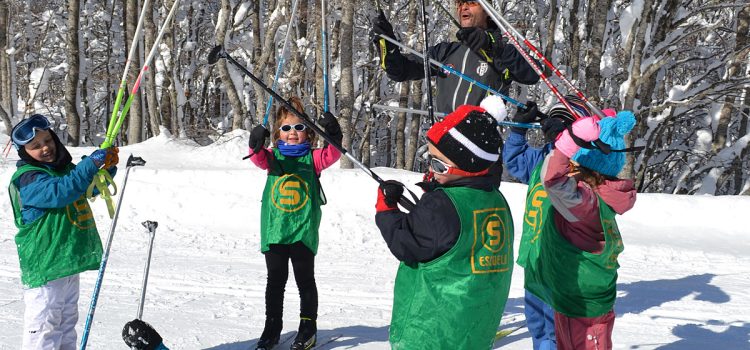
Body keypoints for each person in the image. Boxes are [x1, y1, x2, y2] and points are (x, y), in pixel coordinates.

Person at [374, 105, 514, 349]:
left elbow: (406, 243)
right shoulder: (496, 198)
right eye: (429, 160)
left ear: (468, 166)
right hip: (475, 329)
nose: (431, 169)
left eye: (439, 166)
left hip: (433, 330)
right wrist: (438, 188)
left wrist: (386, 209)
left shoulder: (441, 206)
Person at [521, 111, 637, 349]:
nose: (569, 166)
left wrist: (568, 143)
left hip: (581, 307)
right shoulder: (601, 194)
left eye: (574, 162)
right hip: (583, 300)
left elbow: (552, 180)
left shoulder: (585, 203)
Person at [7, 114, 118, 349]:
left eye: (47, 140)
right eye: (35, 146)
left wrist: (105, 169)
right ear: (24, 152)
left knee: (67, 322)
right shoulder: (28, 178)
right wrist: (90, 164)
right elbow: (61, 192)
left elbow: (83, 187)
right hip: (45, 266)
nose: (45, 148)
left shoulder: (62, 170)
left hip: (66, 262)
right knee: (45, 325)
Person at [247, 96, 342, 350]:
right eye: (286, 128)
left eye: (299, 127)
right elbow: (257, 158)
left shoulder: (313, 158)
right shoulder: (272, 157)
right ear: (278, 132)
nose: (292, 133)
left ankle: (307, 327)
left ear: (308, 133)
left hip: (302, 231)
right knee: (275, 281)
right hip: (275, 230)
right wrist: (255, 143)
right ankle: (271, 328)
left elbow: (333, 153)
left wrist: (334, 133)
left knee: (304, 280)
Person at [370, 0, 540, 114]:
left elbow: (533, 74)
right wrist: (387, 44)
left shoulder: (501, 51)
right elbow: (400, 71)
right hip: (443, 144)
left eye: (471, 2)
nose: (463, 7)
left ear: (488, 11)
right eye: (460, 3)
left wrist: (492, 44)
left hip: (480, 147)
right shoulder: (446, 51)